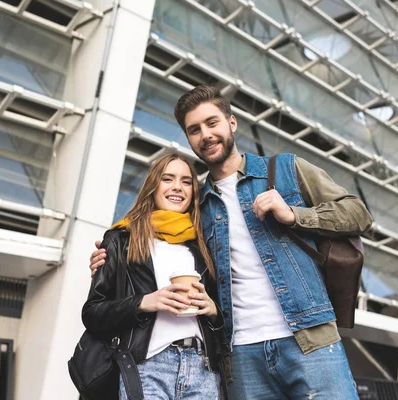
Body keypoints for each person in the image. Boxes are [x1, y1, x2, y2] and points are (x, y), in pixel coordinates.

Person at [90, 85, 373, 399]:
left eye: (212, 123)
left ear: (231, 123)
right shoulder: (197, 207)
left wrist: (294, 215)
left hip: (310, 340)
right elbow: (156, 236)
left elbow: (358, 213)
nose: (206, 135)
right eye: (194, 130)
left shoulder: (287, 170)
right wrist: (109, 254)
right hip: (240, 354)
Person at [82, 152, 226, 400]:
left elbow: (224, 320)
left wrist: (213, 311)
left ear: (193, 190)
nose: (177, 187)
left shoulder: (204, 244)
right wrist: (144, 302)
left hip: (202, 369)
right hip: (146, 366)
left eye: (185, 181)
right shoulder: (121, 240)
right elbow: (92, 313)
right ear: (153, 186)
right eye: (167, 179)